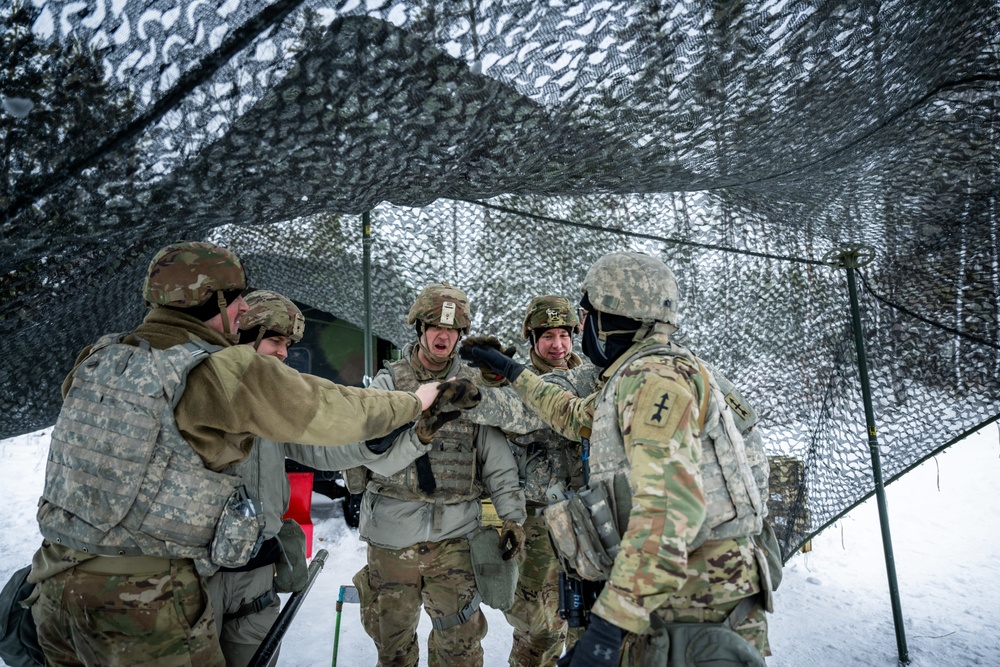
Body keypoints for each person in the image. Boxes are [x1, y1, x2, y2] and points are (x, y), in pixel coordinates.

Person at [27, 241, 442, 667]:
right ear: (212, 299)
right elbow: (338, 409)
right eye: (237, 298)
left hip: (53, 584)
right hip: (142, 594)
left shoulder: (101, 358)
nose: (245, 307)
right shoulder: (218, 370)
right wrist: (416, 401)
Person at [460, 252, 772, 667]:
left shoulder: (651, 382)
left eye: (585, 319)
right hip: (673, 588)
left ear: (611, 320)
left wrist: (606, 630)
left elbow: (665, 511)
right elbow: (571, 415)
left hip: (694, 601)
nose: (579, 331)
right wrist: (512, 371)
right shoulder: (638, 373)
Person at [206, 289, 432, 667]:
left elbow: (322, 450)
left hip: (257, 576)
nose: (283, 352)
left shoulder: (274, 402)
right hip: (204, 575)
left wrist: (379, 437)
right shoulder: (200, 388)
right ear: (246, 334)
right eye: (275, 341)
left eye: (288, 344)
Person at [350, 282, 527, 667]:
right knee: (393, 650)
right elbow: (367, 448)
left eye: (451, 330)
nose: (442, 336)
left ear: (461, 335)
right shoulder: (389, 384)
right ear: (419, 330)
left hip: (455, 540)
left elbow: (497, 461)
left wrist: (513, 517)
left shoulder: (472, 390)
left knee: (460, 651)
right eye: (434, 327)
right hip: (392, 539)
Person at [477, 295, 600, 666]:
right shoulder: (513, 382)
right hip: (537, 522)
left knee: (591, 621)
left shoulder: (590, 376)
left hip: (586, 517)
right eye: (547, 336)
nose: (558, 344)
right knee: (539, 629)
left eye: (564, 334)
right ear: (532, 340)